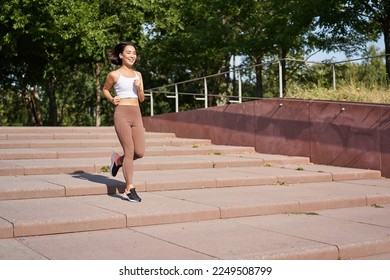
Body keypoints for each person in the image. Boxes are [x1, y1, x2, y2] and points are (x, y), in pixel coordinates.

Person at [102, 42, 145, 202]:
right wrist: (112, 98)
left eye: (134, 52)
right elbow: (105, 89)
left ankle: (118, 160)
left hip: (136, 114)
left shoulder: (138, 75)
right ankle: (129, 189)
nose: (132, 55)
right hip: (122, 114)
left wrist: (139, 87)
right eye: (128, 52)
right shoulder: (114, 75)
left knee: (139, 152)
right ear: (121, 55)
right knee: (129, 150)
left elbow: (141, 98)